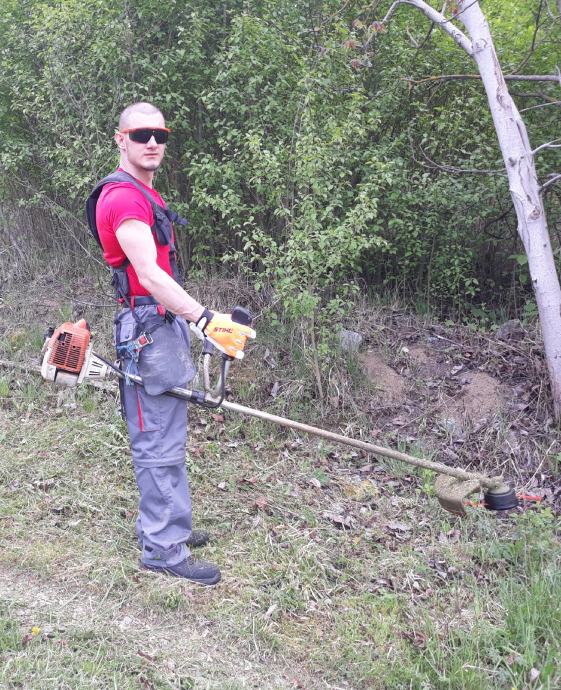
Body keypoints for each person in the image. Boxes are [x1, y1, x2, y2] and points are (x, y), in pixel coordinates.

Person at [86, 102, 254, 586]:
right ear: (120, 139)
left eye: (160, 135)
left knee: (170, 434)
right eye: (141, 134)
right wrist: (204, 319)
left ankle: (171, 527)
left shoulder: (144, 192)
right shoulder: (123, 198)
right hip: (146, 327)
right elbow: (149, 275)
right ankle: (162, 549)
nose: (152, 143)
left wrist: (191, 320)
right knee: (157, 440)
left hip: (161, 324)